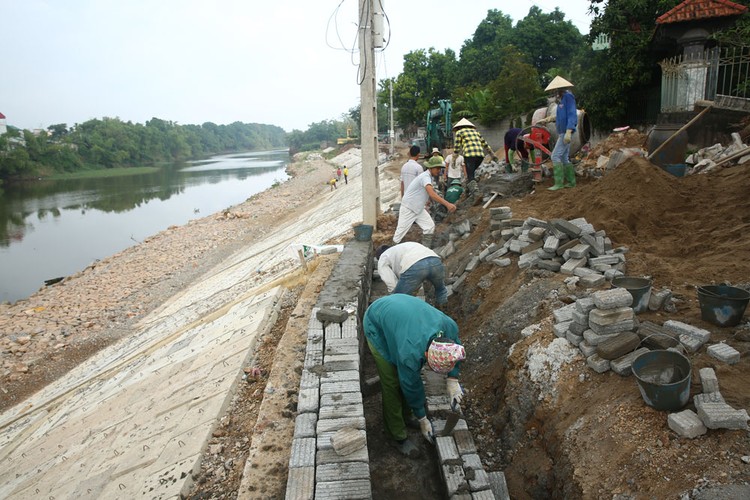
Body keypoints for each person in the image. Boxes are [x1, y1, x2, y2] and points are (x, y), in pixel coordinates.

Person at [363, 294, 465, 458]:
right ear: (426, 353)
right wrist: (422, 417)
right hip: (376, 324)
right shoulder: (410, 351)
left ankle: (407, 415)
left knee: (406, 373)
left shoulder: (449, 326)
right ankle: (396, 436)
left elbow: (457, 350)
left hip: (402, 314)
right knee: (393, 382)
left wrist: (453, 380)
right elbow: (410, 383)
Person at [393, 161, 456, 247]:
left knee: (429, 226)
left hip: (418, 208)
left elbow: (428, 192)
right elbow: (432, 193)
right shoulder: (425, 177)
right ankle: (390, 253)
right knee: (399, 234)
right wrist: (447, 204)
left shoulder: (428, 177)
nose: (439, 171)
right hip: (409, 207)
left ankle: (425, 250)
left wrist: (428, 199)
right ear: (430, 168)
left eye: (440, 169)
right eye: (437, 168)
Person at [536, 76, 578, 190]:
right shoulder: (561, 101)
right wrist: (546, 120)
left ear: (560, 89)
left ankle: (559, 184)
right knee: (564, 158)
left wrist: (569, 131)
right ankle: (571, 182)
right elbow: (560, 116)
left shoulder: (568, 97)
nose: (554, 93)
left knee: (555, 156)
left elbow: (572, 114)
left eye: (555, 91)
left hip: (566, 132)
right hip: (562, 132)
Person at [375, 242, 448, 305]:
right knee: (441, 290)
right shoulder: (402, 247)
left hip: (415, 265)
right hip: (435, 261)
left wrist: (394, 293)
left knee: (399, 300)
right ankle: (443, 308)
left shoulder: (383, 257)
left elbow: (390, 280)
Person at [452, 118, 497, 201]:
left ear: (458, 127)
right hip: (480, 156)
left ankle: (476, 194)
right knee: (471, 173)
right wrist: (493, 154)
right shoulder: (476, 132)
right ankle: (466, 193)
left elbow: (457, 148)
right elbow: (485, 144)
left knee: (470, 175)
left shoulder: (459, 132)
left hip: (469, 155)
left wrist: (453, 160)